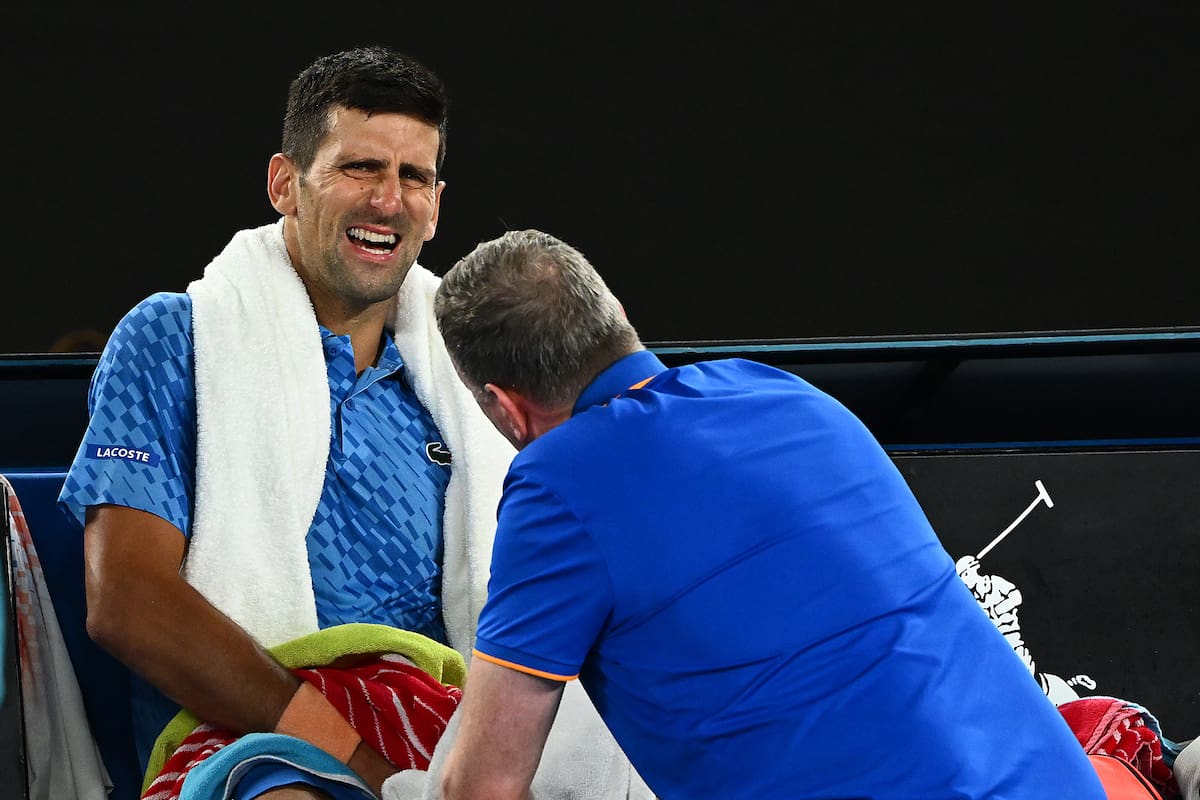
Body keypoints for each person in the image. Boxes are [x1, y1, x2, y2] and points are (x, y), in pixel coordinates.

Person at [431, 229, 1109, 799]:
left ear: (506, 407)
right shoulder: (779, 389)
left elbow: (483, 786)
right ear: (615, 317)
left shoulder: (558, 481)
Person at [59, 46, 515, 799]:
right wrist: (362, 769)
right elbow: (127, 602)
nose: (387, 201)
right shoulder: (175, 339)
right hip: (243, 744)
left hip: (447, 733)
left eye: (413, 177)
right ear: (285, 184)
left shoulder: (474, 371)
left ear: (436, 204)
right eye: (359, 167)